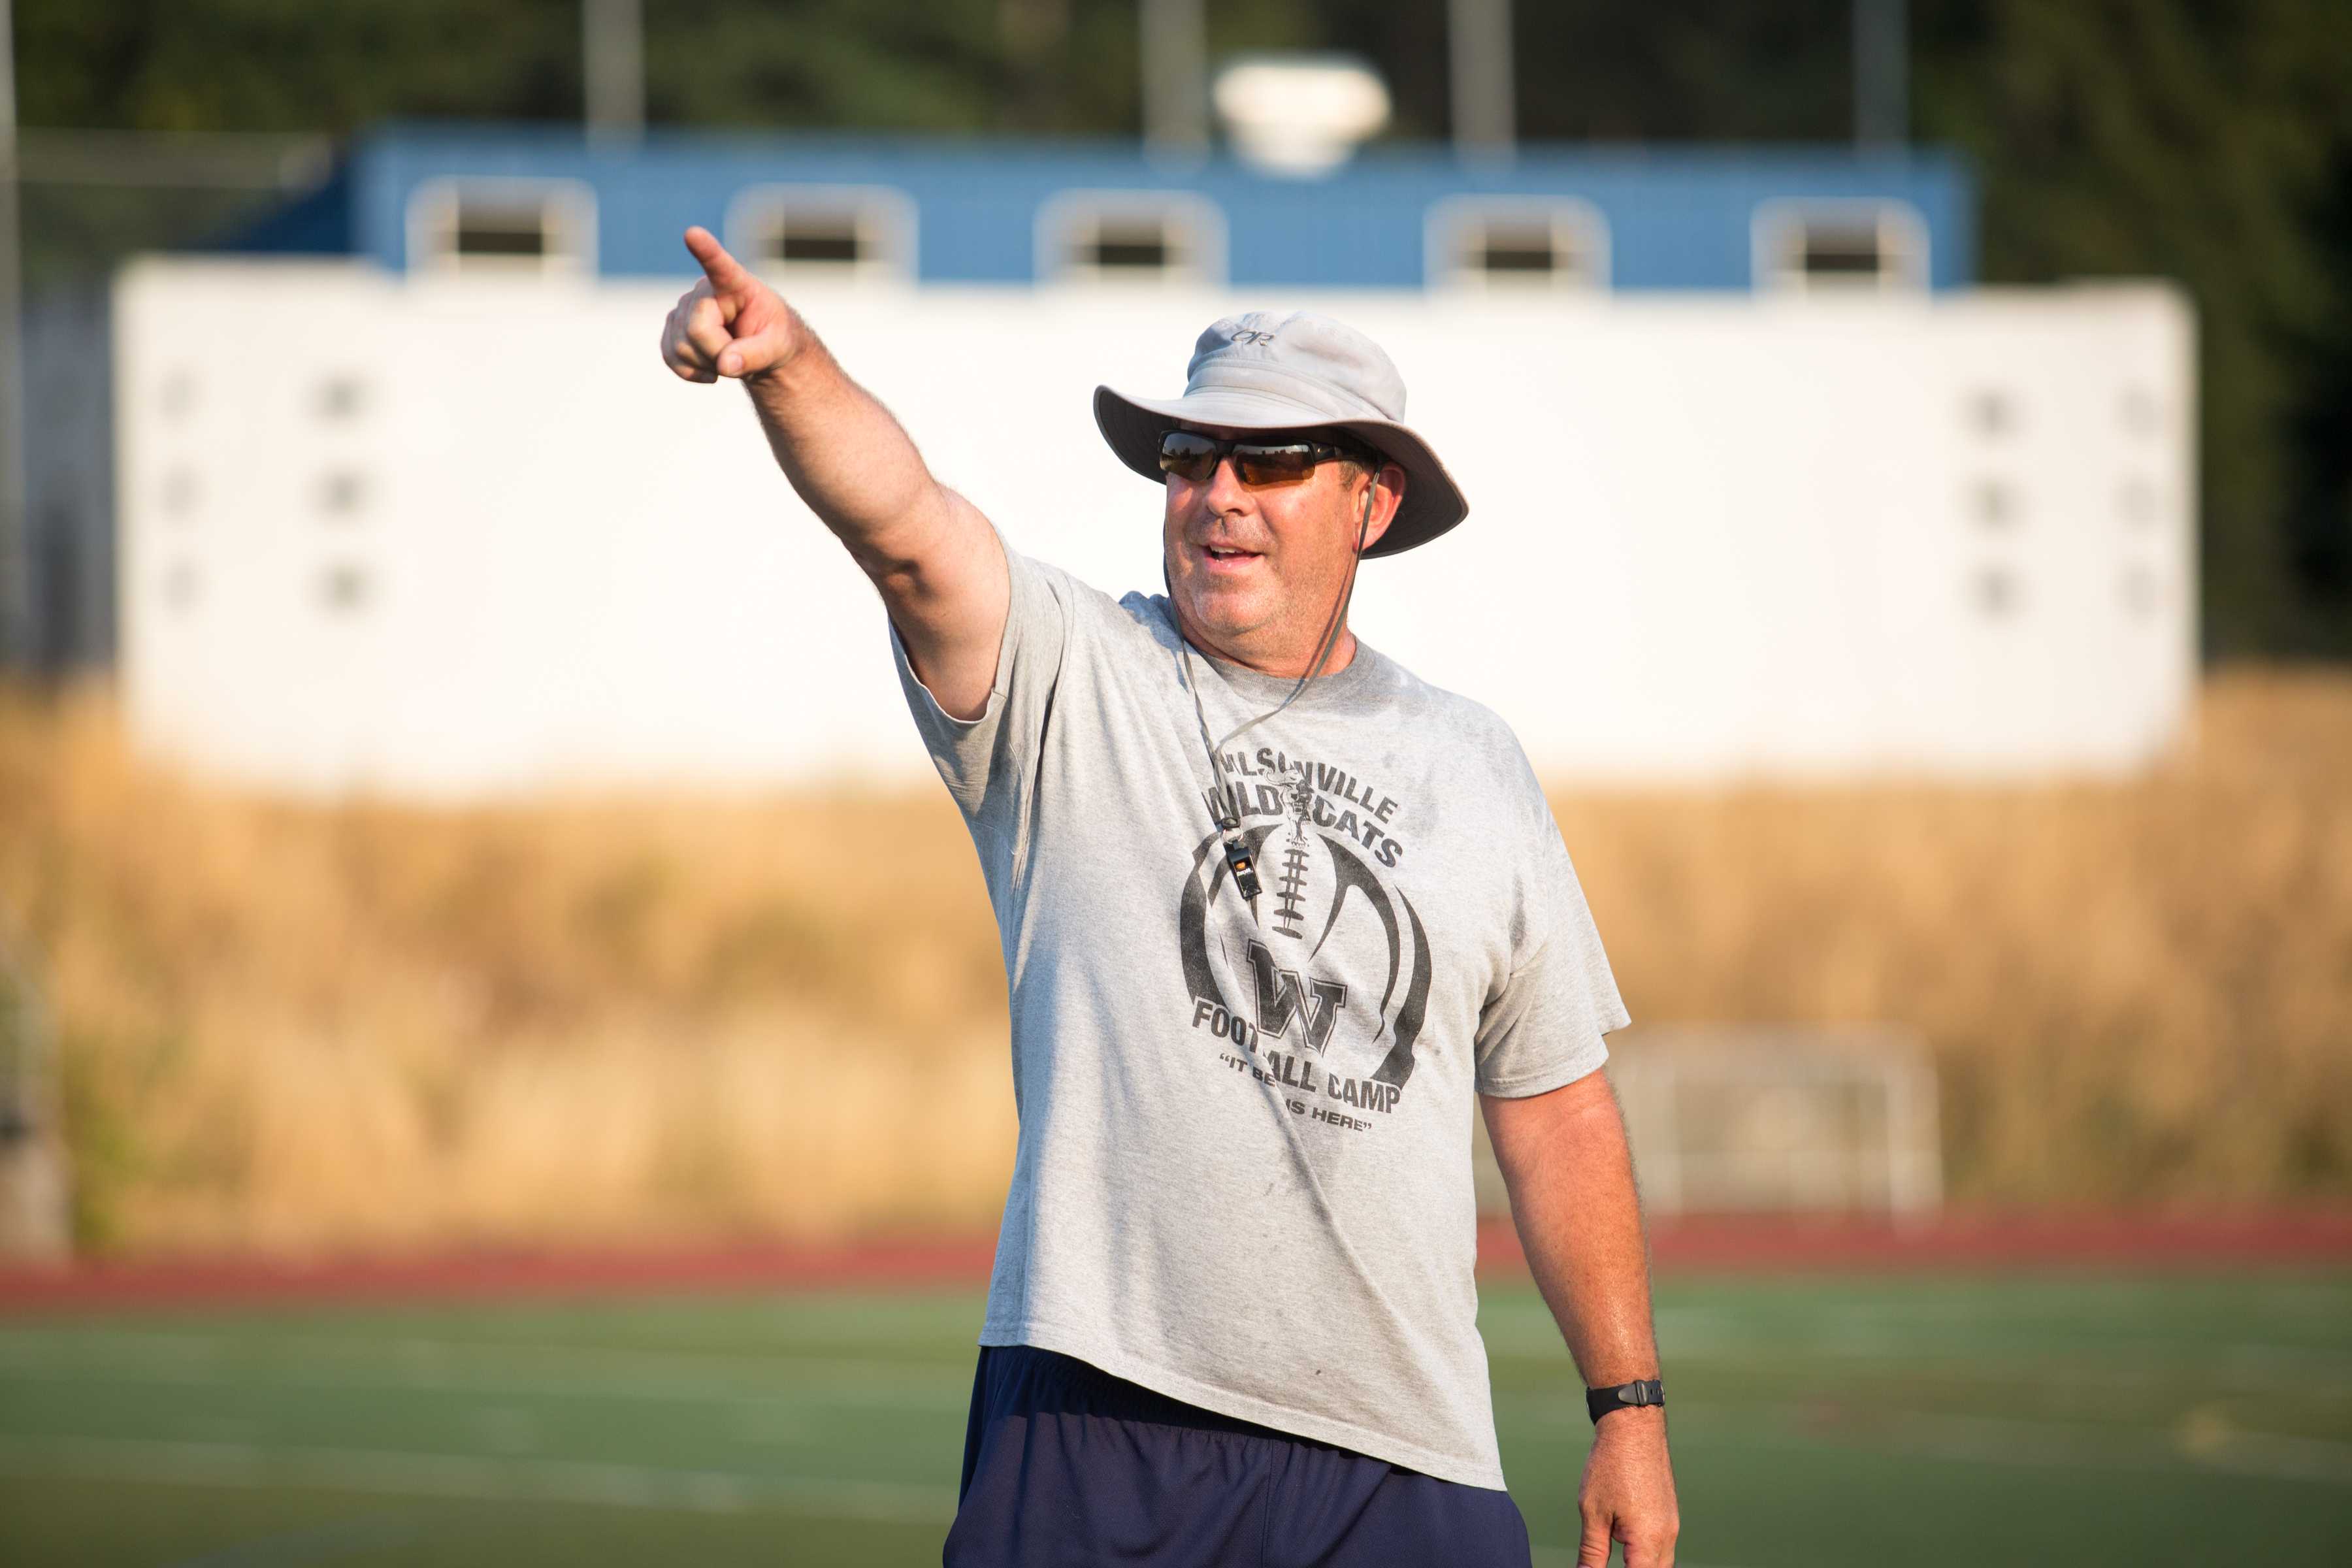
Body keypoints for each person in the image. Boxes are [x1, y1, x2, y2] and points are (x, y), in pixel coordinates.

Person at [659, 225, 1679, 1568]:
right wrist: (785, 367)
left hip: (1404, 1457)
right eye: (1189, 460)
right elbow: (908, 532)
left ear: (1372, 502)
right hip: (1097, 1425)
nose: (1218, 493)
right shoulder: (1077, 676)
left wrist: (1629, 1411)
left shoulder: (1472, 763)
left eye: (1270, 461)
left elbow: (1553, 1109)